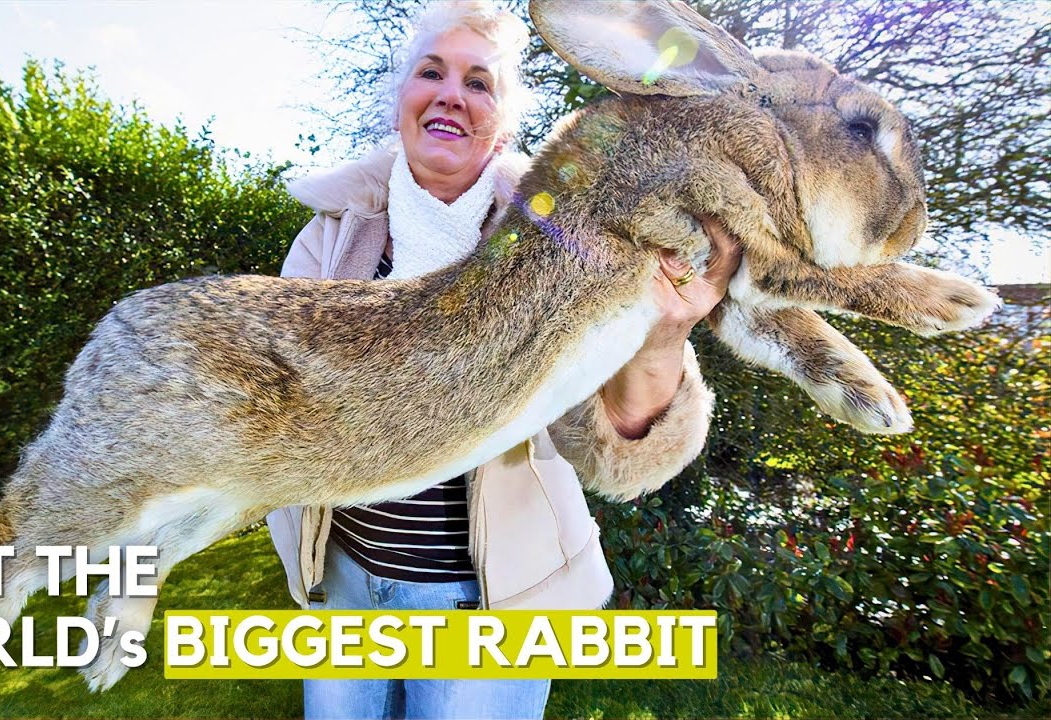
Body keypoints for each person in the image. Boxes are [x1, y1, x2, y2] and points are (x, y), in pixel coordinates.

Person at [266, 2, 742, 717]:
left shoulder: (568, 241)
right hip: (344, 590)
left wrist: (664, 336)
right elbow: (281, 398)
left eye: (479, 82)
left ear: (505, 124)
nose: (451, 92)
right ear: (403, 101)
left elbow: (621, 439)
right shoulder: (329, 239)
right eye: (432, 72)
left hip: (496, 608)